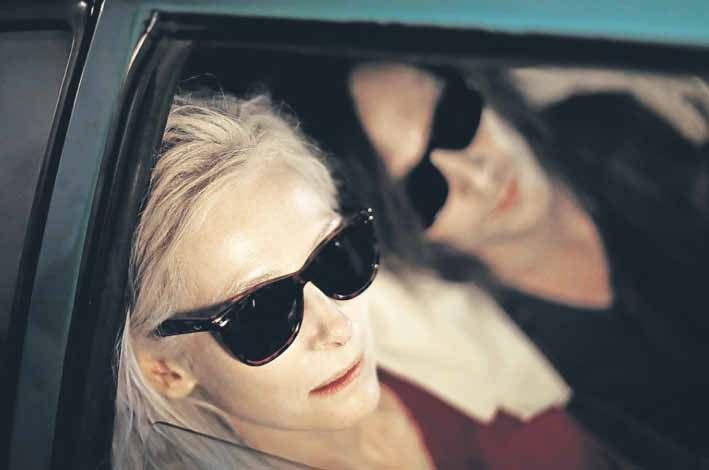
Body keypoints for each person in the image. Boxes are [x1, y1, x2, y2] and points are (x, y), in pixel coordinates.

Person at [112, 92, 625, 469]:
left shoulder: (439, 327)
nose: (336, 326)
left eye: (336, 257)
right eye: (263, 313)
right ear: (166, 371)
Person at [343, 62, 709, 462]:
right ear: (403, 233)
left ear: (482, 87)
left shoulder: (621, 128)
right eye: (422, 189)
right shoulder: (513, 372)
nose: (478, 176)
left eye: (454, 120)